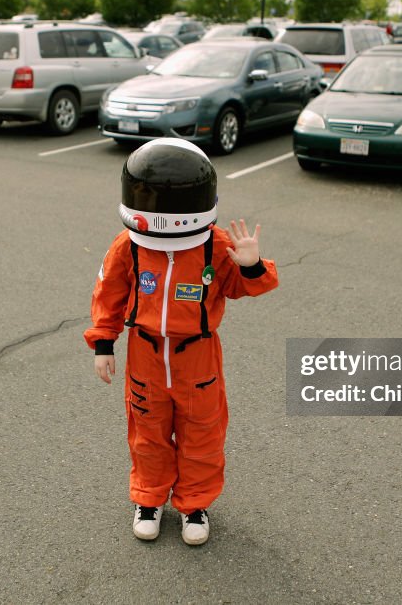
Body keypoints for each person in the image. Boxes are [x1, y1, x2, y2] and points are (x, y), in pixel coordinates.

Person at [85, 138, 279, 546]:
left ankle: (194, 505)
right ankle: (149, 500)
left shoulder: (216, 245)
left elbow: (251, 285)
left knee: (203, 435)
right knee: (147, 434)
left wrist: (252, 265)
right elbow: (109, 291)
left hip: (198, 357)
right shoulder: (130, 245)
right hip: (146, 353)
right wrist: (104, 342)